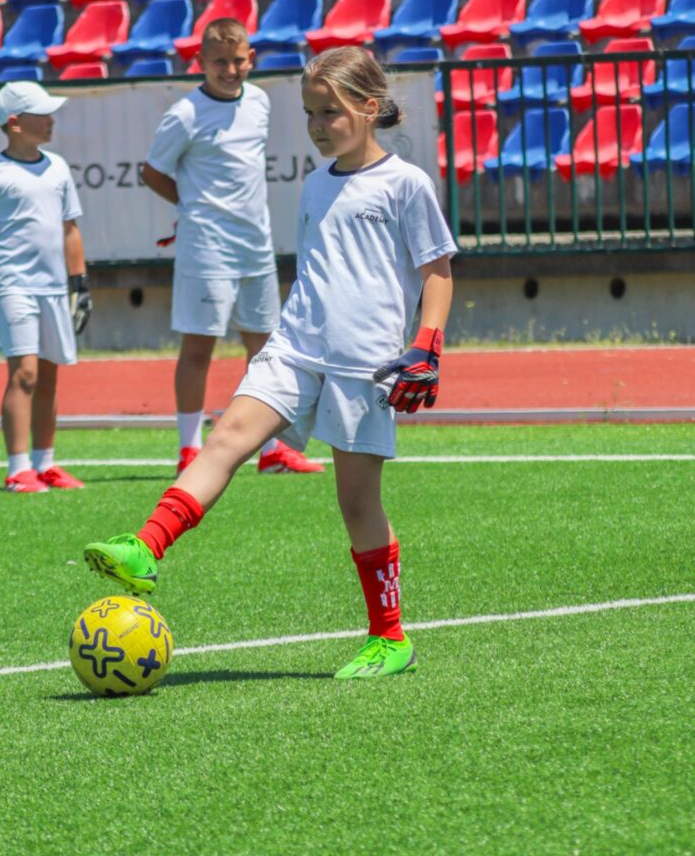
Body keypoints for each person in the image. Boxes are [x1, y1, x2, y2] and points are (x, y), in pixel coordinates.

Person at [84, 46, 456, 679]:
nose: (317, 126)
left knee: (357, 503)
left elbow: (437, 271)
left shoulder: (406, 183)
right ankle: (146, 546)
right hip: (293, 348)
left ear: (370, 108)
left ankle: (390, 637)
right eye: (309, 113)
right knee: (227, 435)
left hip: (363, 366)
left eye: (329, 112)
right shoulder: (315, 182)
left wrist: (427, 345)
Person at [139, 17, 324, 476]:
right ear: (200, 62)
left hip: (256, 244)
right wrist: (194, 206)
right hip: (206, 247)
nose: (230, 70)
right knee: (199, 347)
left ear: (251, 59)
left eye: (238, 60)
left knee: (265, 348)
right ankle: (188, 449)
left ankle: (271, 449)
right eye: (219, 62)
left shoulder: (259, 101)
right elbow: (152, 172)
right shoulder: (185, 113)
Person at [0, 82, 93, 494]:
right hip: (11, 285)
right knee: (25, 373)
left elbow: (70, 230)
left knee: (49, 375)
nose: (52, 120)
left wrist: (79, 284)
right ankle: (18, 469)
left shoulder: (58, 167)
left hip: (53, 287)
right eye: (43, 114)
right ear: (15, 123)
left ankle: (45, 464)